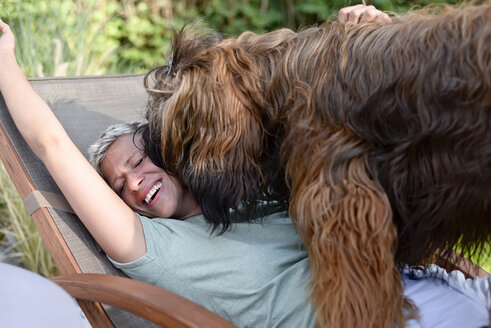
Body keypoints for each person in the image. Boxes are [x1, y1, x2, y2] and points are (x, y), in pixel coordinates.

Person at [0, 8, 489, 328]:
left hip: (445, 287)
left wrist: (366, 35)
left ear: (176, 154)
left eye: (139, 160)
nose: (132, 182)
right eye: (116, 186)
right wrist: (5, 64)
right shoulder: (157, 248)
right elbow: (52, 146)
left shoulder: (255, 196)